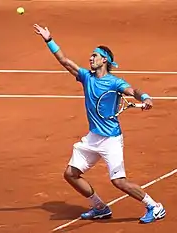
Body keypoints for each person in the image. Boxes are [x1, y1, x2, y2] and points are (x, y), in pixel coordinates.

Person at [33, 24, 166, 224]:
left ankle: (155, 206)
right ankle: (100, 207)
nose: (90, 58)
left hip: (111, 138)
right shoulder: (86, 77)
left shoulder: (114, 82)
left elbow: (133, 90)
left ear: (104, 59)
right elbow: (64, 61)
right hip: (93, 137)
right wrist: (49, 40)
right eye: (91, 56)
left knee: (118, 181)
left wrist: (145, 97)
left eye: (94, 56)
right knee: (71, 174)